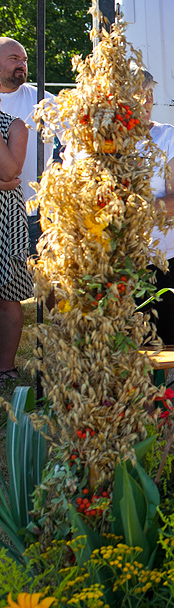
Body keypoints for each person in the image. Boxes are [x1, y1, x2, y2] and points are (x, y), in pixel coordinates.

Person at [136, 67, 174, 345]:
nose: (147, 103)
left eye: (150, 95)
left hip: (159, 256)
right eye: (138, 95)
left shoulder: (167, 137)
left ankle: (161, 390)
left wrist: (129, 207)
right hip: (107, 259)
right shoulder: (94, 140)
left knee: (159, 339)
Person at [0, 37, 55, 227]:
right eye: (14, 58)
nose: (21, 64)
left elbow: (78, 141)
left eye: (24, 60)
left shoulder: (44, 101)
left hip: (35, 213)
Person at [0, 101, 29, 385]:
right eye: (14, 57)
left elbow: (9, 172)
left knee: (7, 297)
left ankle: (5, 368)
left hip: (5, 223)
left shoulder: (14, 125)